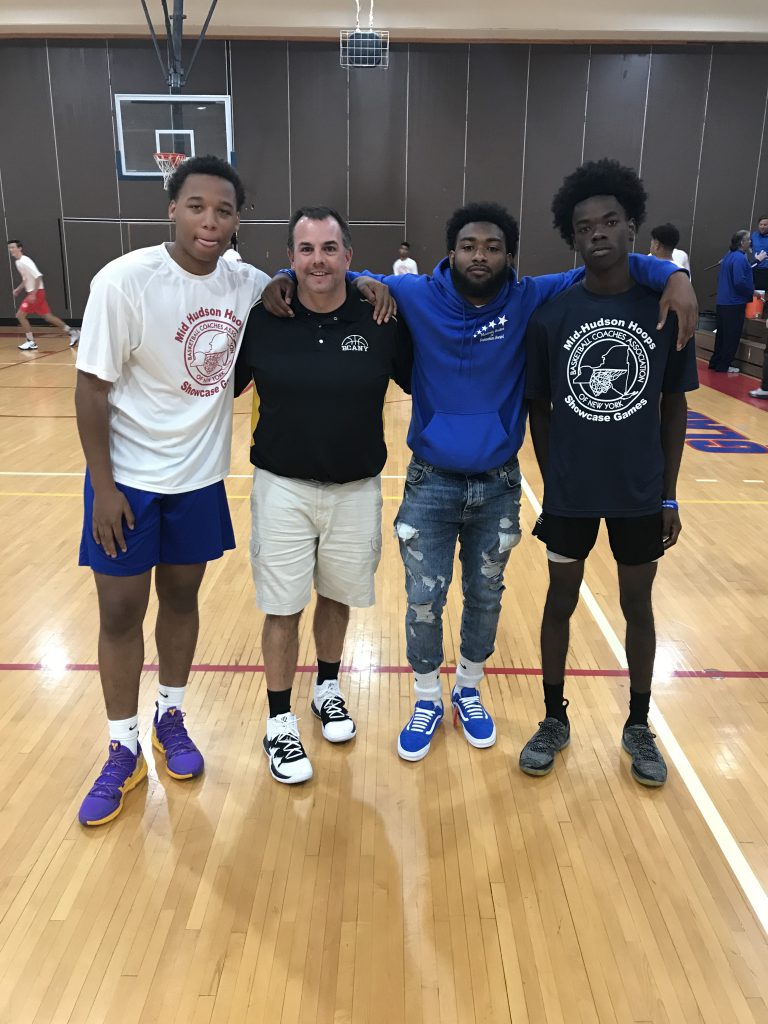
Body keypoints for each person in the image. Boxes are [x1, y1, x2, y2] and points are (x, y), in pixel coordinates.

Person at [262, 198, 697, 764]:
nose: (480, 256)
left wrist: (676, 273)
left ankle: (468, 688)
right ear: (450, 252)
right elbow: (332, 271)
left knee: (486, 596)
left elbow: (607, 263)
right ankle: (425, 698)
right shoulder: (415, 294)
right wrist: (279, 276)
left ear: (509, 256)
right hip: (430, 481)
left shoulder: (530, 295)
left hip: (497, 484)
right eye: (469, 245)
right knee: (423, 598)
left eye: (493, 247)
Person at [74, 155, 270, 826]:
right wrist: (102, 487)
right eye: (196, 206)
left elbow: (307, 284)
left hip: (197, 480)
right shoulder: (125, 281)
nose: (209, 221)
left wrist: (371, 285)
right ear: (171, 208)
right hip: (126, 480)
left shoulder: (246, 282)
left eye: (223, 210)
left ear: (238, 219)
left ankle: (171, 716)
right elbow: (90, 388)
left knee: (181, 600)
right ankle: (121, 746)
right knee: (120, 614)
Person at [520, 158, 698, 787]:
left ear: (632, 228)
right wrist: (551, 481)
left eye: (610, 221)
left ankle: (639, 724)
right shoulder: (550, 313)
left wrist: (669, 494)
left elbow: (673, 407)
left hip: (640, 493)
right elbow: (538, 406)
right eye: (584, 225)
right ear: (572, 237)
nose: (597, 232)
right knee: (558, 601)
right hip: (570, 496)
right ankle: (552, 718)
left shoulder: (663, 306)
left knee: (637, 604)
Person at [234, 207, 412, 784]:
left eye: (330, 248)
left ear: (349, 257)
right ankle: (279, 720)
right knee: (282, 608)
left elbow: (421, 375)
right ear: (289, 259)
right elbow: (218, 383)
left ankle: (328, 687)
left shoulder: (380, 314)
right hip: (282, 487)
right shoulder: (265, 316)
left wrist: (381, 287)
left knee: (337, 596)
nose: (318, 260)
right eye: (306, 250)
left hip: (356, 488)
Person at [7, 240, 80, 350]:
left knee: (20, 315)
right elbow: (26, 279)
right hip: (36, 293)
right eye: (9, 248)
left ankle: (31, 341)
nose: (11, 250)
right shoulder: (18, 262)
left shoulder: (25, 261)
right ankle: (73, 332)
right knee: (48, 317)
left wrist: (33, 294)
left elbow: (38, 276)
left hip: (36, 293)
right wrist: (18, 289)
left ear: (20, 248)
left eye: (13, 247)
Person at [709, 230, 754, 373]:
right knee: (731, 336)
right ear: (742, 243)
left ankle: (715, 362)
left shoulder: (727, 257)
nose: (750, 242)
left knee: (721, 335)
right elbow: (740, 281)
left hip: (722, 301)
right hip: (734, 303)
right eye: (748, 240)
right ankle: (724, 365)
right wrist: (750, 292)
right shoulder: (740, 259)